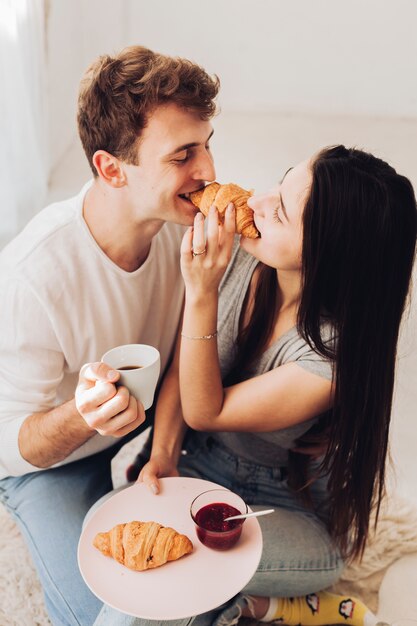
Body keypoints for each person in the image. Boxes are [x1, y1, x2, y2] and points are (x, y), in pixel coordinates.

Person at [92, 145, 417, 626]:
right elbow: (185, 371)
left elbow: (208, 410)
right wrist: (162, 454)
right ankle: (243, 607)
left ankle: (263, 604)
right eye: (279, 185)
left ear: (329, 252)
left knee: (179, 564)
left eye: (281, 211)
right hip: (203, 462)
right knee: (104, 525)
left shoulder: (333, 355)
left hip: (287, 505)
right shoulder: (244, 258)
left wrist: (200, 293)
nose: (257, 203)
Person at [0, 45, 219, 625]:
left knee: (191, 580)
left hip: (148, 427)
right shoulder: (32, 277)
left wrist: (165, 451)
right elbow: (7, 441)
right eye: (183, 154)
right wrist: (83, 417)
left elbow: (182, 354)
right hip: (52, 460)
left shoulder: (184, 228)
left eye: (207, 143)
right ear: (112, 168)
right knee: (102, 614)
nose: (209, 172)